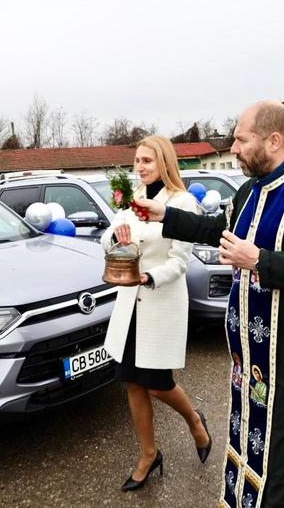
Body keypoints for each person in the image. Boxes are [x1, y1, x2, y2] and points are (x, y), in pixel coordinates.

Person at [132, 102, 284, 507]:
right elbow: (219, 230)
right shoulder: (251, 190)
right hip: (254, 366)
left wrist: (260, 261)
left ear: (273, 140)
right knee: (259, 458)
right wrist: (164, 214)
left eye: (240, 138)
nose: (232, 147)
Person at [101, 135, 212, 492]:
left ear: (164, 161)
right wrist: (116, 238)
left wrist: (150, 277)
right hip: (130, 305)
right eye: (137, 161)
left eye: (147, 160)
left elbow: (180, 261)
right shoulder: (132, 199)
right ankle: (149, 455)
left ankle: (195, 421)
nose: (141, 167)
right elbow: (107, 241)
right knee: (132, 381)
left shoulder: (181, 203)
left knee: (159, 384)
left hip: (160, 301)